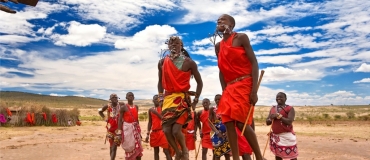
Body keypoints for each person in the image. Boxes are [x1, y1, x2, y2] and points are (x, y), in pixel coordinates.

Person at [214, 14, 264, 160]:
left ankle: (259, 157)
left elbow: (254, 63)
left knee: (242, 122)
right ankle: (235, 158)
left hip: (245, 83)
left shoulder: (241, 38)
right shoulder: (218, 46)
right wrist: (225, 91)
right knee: (228, 122)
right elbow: (221, 70)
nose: (219, 21)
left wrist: (254, 90)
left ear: (232, 24)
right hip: (229, 87)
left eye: (223, 19)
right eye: (218, 20)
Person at [158, 36, 203, 160]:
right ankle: (177, 152)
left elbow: (200, 83)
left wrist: (195, 101)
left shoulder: (189, 62)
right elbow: (160, 82)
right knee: (166, 130)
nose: (173, 45)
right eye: (171, 43)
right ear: (168, 46)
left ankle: (184, 151)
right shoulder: (162, 62)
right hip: (167, 100)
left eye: (176, 43)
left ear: (181, 45)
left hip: (182, 99)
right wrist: (161, 97)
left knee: (176, 131)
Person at [266, 92, 298, 160]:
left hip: (287, 136)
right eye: (277, 97)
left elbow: (289, 121)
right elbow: (267, 122)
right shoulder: (273, 108)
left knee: (292, 156)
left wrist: (279, 117)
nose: (278, 98)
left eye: (281, 97)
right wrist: (271, 118)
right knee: (278, 155)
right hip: (277, 137)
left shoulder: (290, 108)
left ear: (285, 99)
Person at [116, 92, 143, 160]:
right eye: (129, 95)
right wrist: (119, 133)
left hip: (135, 130)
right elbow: (120, 120)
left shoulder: (136, 107)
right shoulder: (123, 107)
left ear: (134, 97)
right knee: (130, 147)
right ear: (126, 97)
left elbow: (137, 119)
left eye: (132, 95)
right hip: (127, 129)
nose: (131, 97)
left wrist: (139, 132)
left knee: (138, 148)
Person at [145, 95, 173, 160]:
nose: (157, 100)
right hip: (154, 133)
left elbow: (164, 119)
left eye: (158, 99)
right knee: (156, 151)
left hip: (162, 131)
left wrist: (156, 112)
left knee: (166, 151)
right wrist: (147, 134)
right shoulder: (150, 110)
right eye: (155, 99)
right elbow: (150, 122)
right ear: (153, 101)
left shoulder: (163, 108)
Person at [98, 93, 124, 160]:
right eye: (113, 97)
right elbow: (100, 112)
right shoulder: (108, 106)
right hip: (110, 129)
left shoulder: (121, 105)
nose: (115, 98)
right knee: (111, 146)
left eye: (116, 97)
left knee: (114, 146)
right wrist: (105, 118)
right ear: (110, 99)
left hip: (118, 128)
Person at [209, 94, 230, 160]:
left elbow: (230, 121)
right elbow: (209, 122)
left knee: (227, 154)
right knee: (217, 154)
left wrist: (228, 132)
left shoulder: (227, 108)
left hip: (226, 133)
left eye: (219, 99)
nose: (217, 101)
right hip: (216, 134)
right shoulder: (212, 109)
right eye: (216, 100)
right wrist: (217, 132)